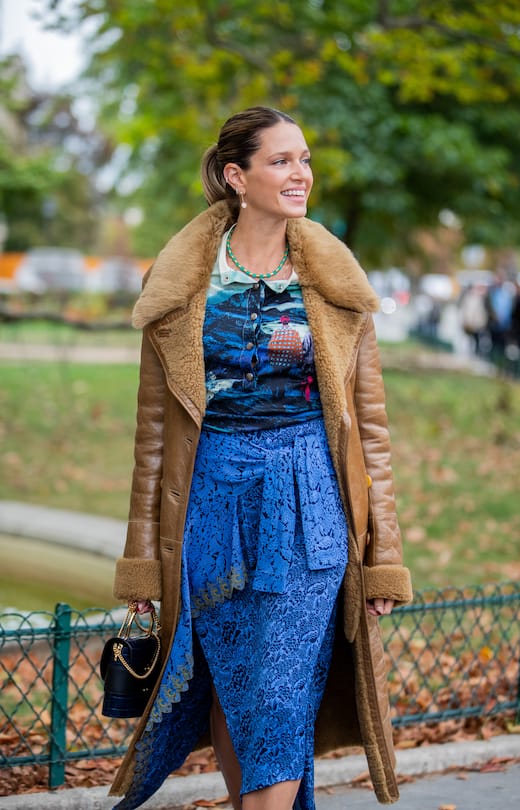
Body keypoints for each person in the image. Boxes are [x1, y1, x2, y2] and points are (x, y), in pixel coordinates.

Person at [109, 106, 412, 810]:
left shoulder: (335, 281)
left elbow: (371, 433)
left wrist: (383, 555)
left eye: (304, 159)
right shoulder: (181, 280)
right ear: (237, 176)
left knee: (278, 687)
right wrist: (143, 561)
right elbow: (153, 437)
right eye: (281, 161)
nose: (300, 173)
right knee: (230, 682)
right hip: (210, 505)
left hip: (310, 504)